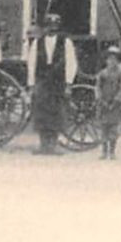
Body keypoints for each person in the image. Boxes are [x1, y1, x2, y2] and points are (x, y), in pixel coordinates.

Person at [24, 13, 78, 154]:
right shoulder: (37, 42)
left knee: (56, 113)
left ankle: (53, 145)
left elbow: (71, 63)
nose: (51, 28)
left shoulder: (66, 42)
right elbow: (31, 63)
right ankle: (43, 145)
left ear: (58, 26)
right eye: (48, 25)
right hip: (42, 82)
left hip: (58, 82)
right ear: (45, 27)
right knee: (42, 113)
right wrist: (31, 84)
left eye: (54, 25)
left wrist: (68, 84)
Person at [95, 45, 121, 160]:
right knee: (104, 128)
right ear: (106, 60)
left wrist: (116, 101)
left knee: (113, 129)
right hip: (103, 104)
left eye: (114, 59)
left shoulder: (120, 74)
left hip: (115, 106)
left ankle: (112, 151)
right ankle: (104, 151)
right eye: (109, 59)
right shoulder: (102, 74)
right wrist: (101, 99)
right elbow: (97, 87)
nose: (112, 62)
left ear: (118, 61)